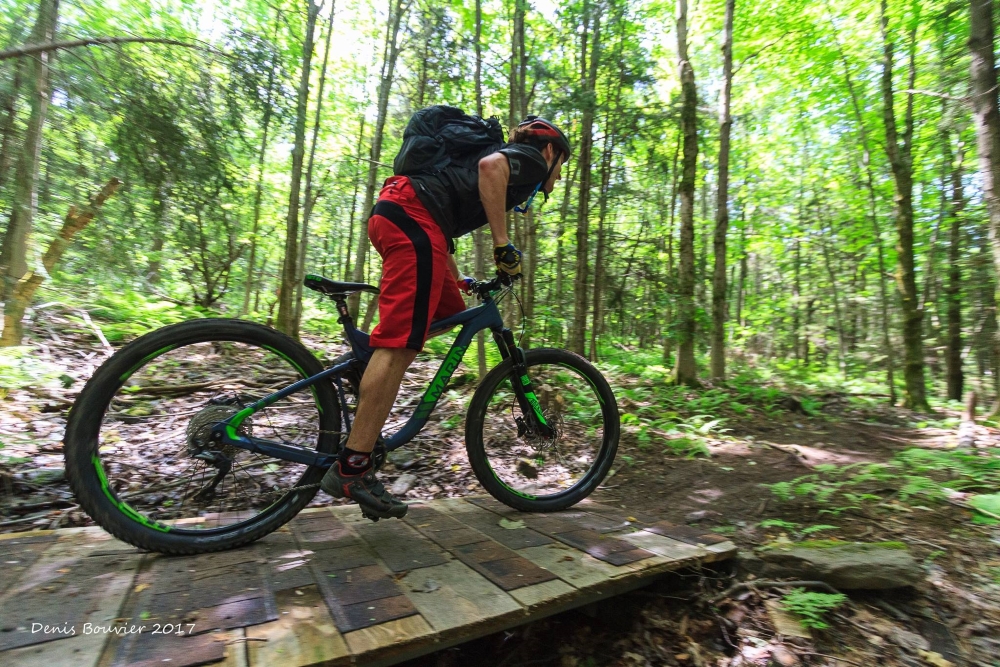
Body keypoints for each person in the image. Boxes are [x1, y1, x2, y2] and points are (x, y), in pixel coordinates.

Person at [319, 115, 571, 520]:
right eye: (562, 166)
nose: (557, 177)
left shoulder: (461, 167)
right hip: (411, 221)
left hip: (405, 215)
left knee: (450, 312)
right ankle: (353, 467)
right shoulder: (532, 159)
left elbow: (440, 213)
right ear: (551, 151)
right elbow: (491, 171)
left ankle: (367, 372)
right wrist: (503, 247)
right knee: (400, 344)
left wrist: (457, 279)